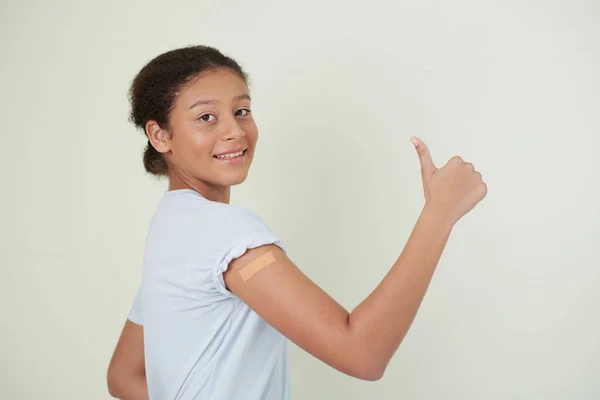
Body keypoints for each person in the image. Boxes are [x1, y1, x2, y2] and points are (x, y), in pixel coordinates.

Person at [106, 45, 487, 400]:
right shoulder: (223, 232)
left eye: (241, 111)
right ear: (160, 135)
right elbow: (362, 354)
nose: (234, 131)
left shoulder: (170, 227)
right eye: (207, 117)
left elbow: (124, 375)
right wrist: (440, 213)